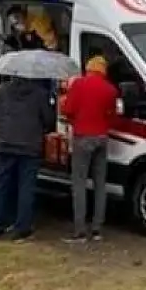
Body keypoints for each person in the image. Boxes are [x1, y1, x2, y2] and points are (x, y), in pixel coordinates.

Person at [0, 76, 54, 241]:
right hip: (30, 146)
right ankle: (21, 229)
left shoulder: (1, 91)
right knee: (26, 188)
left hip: (5, 144)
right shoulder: (40, 94)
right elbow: (49, 120)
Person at [60, 55, 119, 242]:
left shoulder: (79, 85)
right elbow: (112, 115)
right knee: (100, 184)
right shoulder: (111, 89)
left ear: (88, 68)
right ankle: (97, 229)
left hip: (83, 136)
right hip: (102, 137)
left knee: (79, 183)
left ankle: (79, 230)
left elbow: (68, 110)